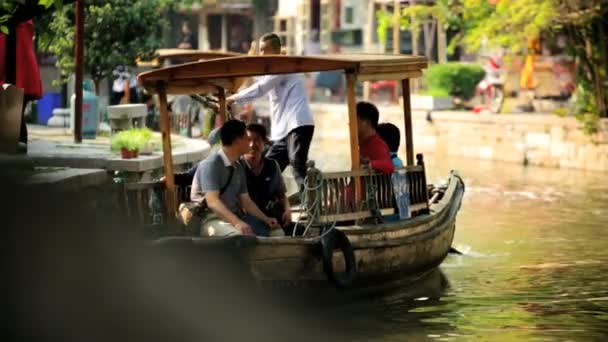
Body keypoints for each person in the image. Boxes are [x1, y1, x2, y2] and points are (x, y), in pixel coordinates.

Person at [226, 32, 315, 189]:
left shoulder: (282, 65)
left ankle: (311, 208)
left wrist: (233, 99)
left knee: (297, 165)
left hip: (298, 124)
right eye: (260, 50)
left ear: (277, 50)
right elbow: (256, 87)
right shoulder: (269, 72)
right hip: (284, 130)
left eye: (264, 49)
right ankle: (262, 206)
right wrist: (229, 99)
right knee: (268, 167)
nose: (261, 53)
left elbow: (260, 89)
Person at [190, 120, 281, 237]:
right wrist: (237, 223)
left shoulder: (237, 167)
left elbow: (246, 201)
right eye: (247, 138)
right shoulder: (211, 164)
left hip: (235, 217)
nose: (250, 142)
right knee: (239, 237)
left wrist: (266, 219)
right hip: (211, 219)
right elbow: (212, 202)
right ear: (238, 140)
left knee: (277, 233)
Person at [356, 102, 394, 174]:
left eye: (355, 121)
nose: (350, 124)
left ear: (366, 122)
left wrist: (371, 164)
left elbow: (389, 166)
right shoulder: (363, 145)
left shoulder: (377, 144)